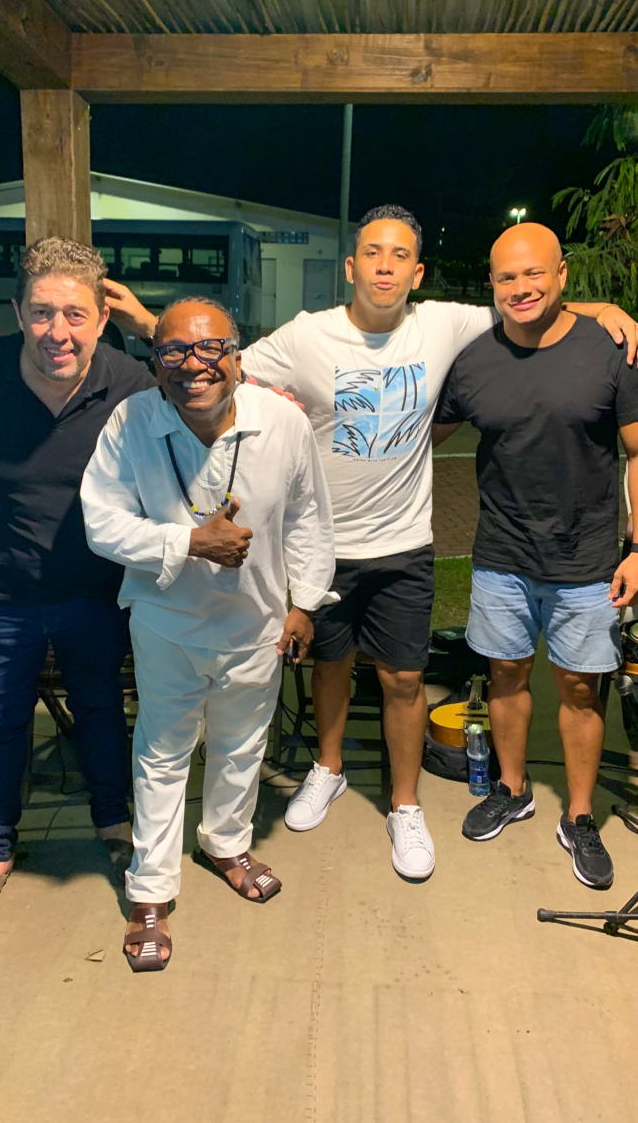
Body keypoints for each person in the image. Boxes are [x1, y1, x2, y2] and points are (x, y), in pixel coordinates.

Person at [104, 207, 638, 880]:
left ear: (418, 272)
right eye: (373, 254)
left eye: (400, 255)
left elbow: (528, 303)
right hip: (324, 543)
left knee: (404, 677)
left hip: (405, 541)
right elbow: (211, 360)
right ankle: (327, 769)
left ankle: (404, 805)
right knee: (329, 666)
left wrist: (603, 309)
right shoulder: (306, 336)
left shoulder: (444, 324)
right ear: (351, 266)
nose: (385, 266)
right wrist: (146, 324)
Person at [80, 296, 336, 971]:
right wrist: (189, 542)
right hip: (166, 625)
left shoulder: (281, 422)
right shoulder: (133, 421)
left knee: (241, 745)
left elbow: (309, 518)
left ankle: (226, 844)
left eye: (209, 348)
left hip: (257, 624)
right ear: (155, 361)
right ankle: (150, 890)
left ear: (236, 357)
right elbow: (100, 522)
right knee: (162, 756)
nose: (192, 364)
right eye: (173, 350)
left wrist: (305, 603)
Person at [433, 222, 638, 889]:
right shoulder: (473, 360)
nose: (520, 288)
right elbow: (417, 436)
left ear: (561, 276)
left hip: (586, 561)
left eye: (533, 273)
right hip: (500, 555)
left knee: (580, 689)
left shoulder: (609, 348)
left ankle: (578, 815)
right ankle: (512, 788)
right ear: (491, 284)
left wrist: (637, 548)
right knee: (505, 677)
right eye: (505, 277)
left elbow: (637, 452)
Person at [0, 237, 156, 934]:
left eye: (76, 314)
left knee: (101, 709)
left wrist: (148, 324)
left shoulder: (130, 380)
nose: (57, 332)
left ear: (102, 318)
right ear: (18, 313)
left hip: (95, 591)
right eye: (42, 313)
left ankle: (112, 822)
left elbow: (218, 375)